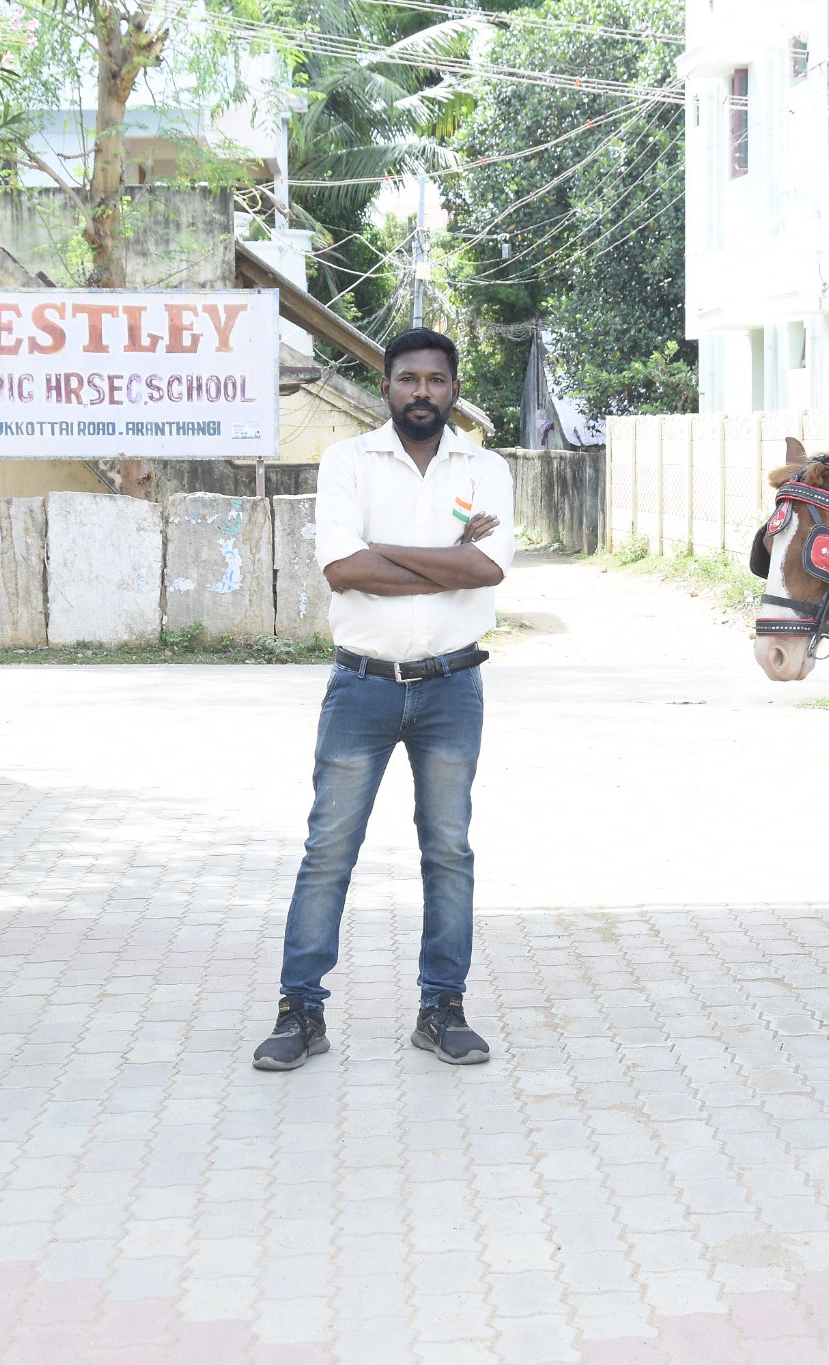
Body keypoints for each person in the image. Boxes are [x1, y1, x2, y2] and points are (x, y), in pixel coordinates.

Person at [252, 328, 515, 1071]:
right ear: (388, 385)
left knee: (449, 852)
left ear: (453, 389)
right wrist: (450, 559)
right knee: (328, 851)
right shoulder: (348, 462)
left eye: (436, 380)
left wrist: (387, 551)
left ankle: (443, 1009)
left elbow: (490, 569)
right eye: (408, 380)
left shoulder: (485, 466)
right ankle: (299, 1011)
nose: (422, 392)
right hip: (360, 686)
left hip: (454, 687)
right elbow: (341, 568)